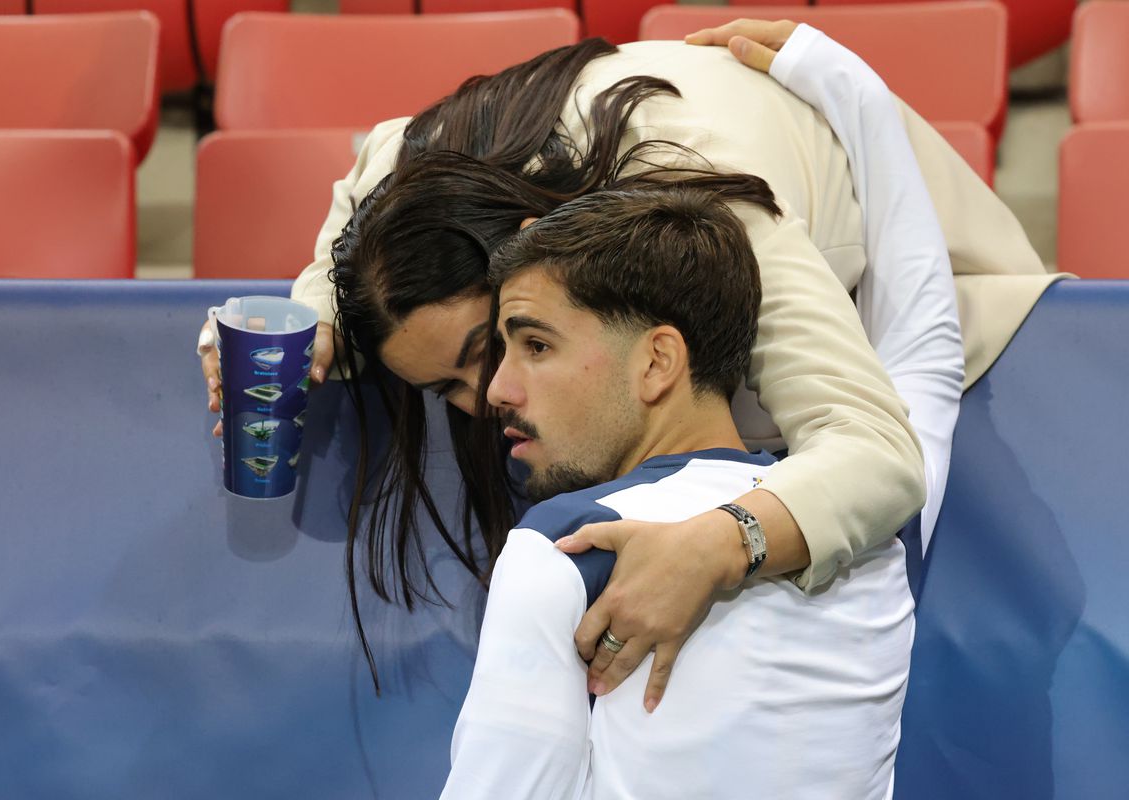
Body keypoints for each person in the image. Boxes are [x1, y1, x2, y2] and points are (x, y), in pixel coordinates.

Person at [197, 20, 1057, 706]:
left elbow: (879, 452)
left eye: (492, 350)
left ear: (525, 257)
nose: (486, 400)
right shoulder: (412, 169)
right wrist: (314, 319)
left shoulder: (704, 212)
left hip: (886, 254)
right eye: (443, 388)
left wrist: (722, 542)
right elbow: (369, 176)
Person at [443, 180, 914, 799]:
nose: (498, 390)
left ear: (657, 361)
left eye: (536, 345)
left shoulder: (567, 546)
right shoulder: (876, 554)